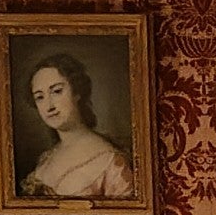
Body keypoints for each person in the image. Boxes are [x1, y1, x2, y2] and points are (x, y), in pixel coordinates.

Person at [20, 52, 136, 200]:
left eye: (57, 91)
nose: (49, 106)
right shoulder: (46, 159)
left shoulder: (111, 161)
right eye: (39, 97)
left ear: (77, 92)